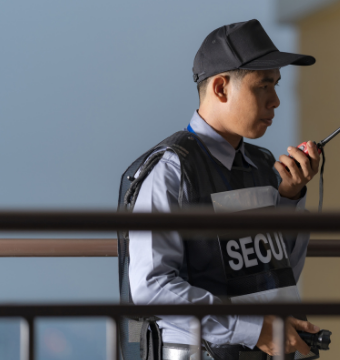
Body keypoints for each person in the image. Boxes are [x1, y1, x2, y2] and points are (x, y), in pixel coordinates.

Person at [118, 19, 322, 360]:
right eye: (264, 86)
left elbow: (275, 277)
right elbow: (152, 288)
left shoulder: (261, 164)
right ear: (221, 88)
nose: (276, 101)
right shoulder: (171, 169)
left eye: (277, 86)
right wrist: (256, 328)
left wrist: (289, 199)